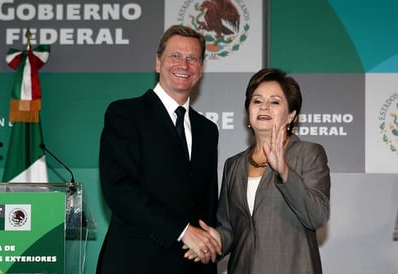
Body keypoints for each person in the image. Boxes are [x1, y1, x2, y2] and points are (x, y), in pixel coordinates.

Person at [96, 25, 221, 274]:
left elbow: (207, 204)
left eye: (192, 58)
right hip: (135, 263)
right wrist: (183, 231)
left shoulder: (208, 130)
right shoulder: (125, 115)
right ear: (158, 62)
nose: (183, 65)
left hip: (191, 265)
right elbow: (120, 189)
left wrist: (208, 242)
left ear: (200, 69)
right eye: (175, 56)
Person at [186, 68, 331, 274]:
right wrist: (215, 240)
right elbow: (230, 228)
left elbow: (317, 216)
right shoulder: (233, 165)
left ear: (291, 115)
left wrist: (284, 170)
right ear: (249, 112)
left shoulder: (308, 153)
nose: (264, 106)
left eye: (274, 102)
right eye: (257, 101)